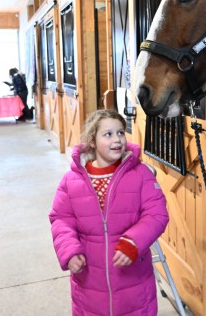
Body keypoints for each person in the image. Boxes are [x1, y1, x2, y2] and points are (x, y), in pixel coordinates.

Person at [49, 109, 169, 315]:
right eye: (108, 134)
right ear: (92, 141)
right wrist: (69, 251)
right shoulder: (71, 181)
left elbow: (156, 214)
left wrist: (134, 242)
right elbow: (61, 219)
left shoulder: (141, 174)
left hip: (133, 278)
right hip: (89, 281)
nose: (117, 139)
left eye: (121, 132)